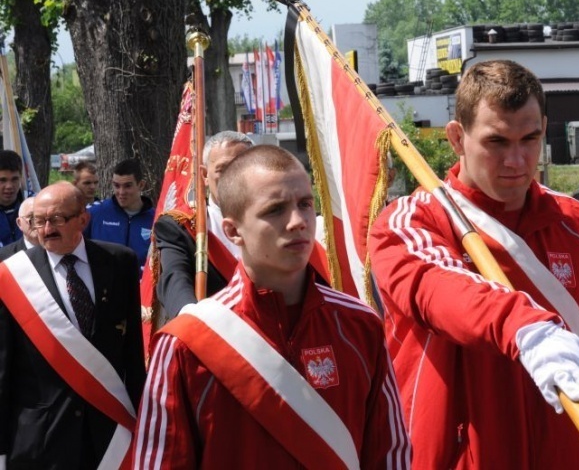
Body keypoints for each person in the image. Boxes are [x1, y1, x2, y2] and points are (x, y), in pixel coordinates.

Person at [368, 60, 579, 469]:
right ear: (458, 137)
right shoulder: (412, 221)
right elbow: (436, 289)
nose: (516, 161)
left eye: (529, 139)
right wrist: (526, 327)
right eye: (497, 142)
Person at [134, 145, 410, 469]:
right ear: (233, 231)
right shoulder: (184, 343)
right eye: (275, 209)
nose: (298, 221)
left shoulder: (361, 325)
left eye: (305, 204)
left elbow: (390, 454)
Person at [0, 181, 145, 469]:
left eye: (57, 219)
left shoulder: (119, 262)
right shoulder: (11, 276)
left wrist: (142, 420)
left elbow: (132, 353)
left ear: (83, 218)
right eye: (38, 221)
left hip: (109, 433)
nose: (46, 229)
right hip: (41, 440)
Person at [154, 130, 253, 317]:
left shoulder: (280, 221)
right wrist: (191, 316)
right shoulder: (181, 227)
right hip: (213, 334)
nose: (234, 177)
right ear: (205, 175)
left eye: (242, 167)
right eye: (223, 169)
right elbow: (174, 278)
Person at [85, 158, 155, 266]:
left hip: (140, 282)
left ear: (141, 185)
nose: (121, 192)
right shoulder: (94, 213)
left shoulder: (155, 219)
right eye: (117, 186)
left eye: (127, 186)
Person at [0, 150, 24, 247]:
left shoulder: (35, 206)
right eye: (2, 180)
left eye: (14, 179)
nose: (9, 186)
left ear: (21, 178)